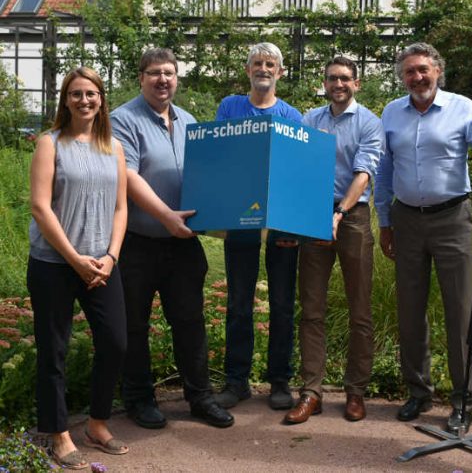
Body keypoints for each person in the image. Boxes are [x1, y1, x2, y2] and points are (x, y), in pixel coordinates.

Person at [374, 42, 472, 433]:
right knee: (410, 310)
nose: (417, 77)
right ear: (402, 76)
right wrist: (385, 223)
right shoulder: (391, 112)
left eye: (423, 69)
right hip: (406, 219)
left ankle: (463, 401)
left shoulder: (464, 108)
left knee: (460, 312)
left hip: (452, 219)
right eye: (409, 71)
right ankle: (418, 392)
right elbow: (385, 172)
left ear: (437, 70)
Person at [111, 48, 233, 429]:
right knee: (134, 325)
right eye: (154, 73)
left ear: (177, 78)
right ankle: (139, 400)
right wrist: (165, 216)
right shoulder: (122, 119)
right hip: (138, 242)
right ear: (141, 77)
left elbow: (206, 175)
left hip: (183, 243)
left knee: (190, 322)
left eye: (169, 73)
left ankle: (200, 398)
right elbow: (127, 177)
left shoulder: (189, 120)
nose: (162, 80)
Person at [28, 67, 129, 469]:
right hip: (55, 263)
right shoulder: (49, 144)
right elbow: (39, 206)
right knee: (54, 350)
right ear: (65, 100)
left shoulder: (114, 148)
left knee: (116, 342)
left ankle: (98, 423)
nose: (84, 100)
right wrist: (75, 259)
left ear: (101, 99)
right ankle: (58, 432)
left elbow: (122, 208)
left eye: (91, 93)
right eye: (75, 94)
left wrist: (111, 257)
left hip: (103, 265)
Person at [284, 56, 384, 424]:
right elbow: (297, 169)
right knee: (311, 309)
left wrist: (339, 214)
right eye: (331, 79)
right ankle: (311, 392)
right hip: (313, 214)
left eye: (344, 78)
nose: (337, 84)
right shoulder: (310, 120)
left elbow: (364, 174)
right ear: (324, 83)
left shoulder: (370, 123)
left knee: (360, 308)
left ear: (356, 83)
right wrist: (299, 218)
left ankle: (355, 392)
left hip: (352, 215)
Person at [214, 42, 302, 411]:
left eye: (270, 64)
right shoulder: (229, 107)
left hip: (281, 219)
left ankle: (279, 380)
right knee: (238, 302)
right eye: (257, 63)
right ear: (247, 70)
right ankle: (237, 380)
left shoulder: (293, 115)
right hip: (240, 216)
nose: (263, 68)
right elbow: (218, 154)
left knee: (282, 302)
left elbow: (297, 167)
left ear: (280, 72)